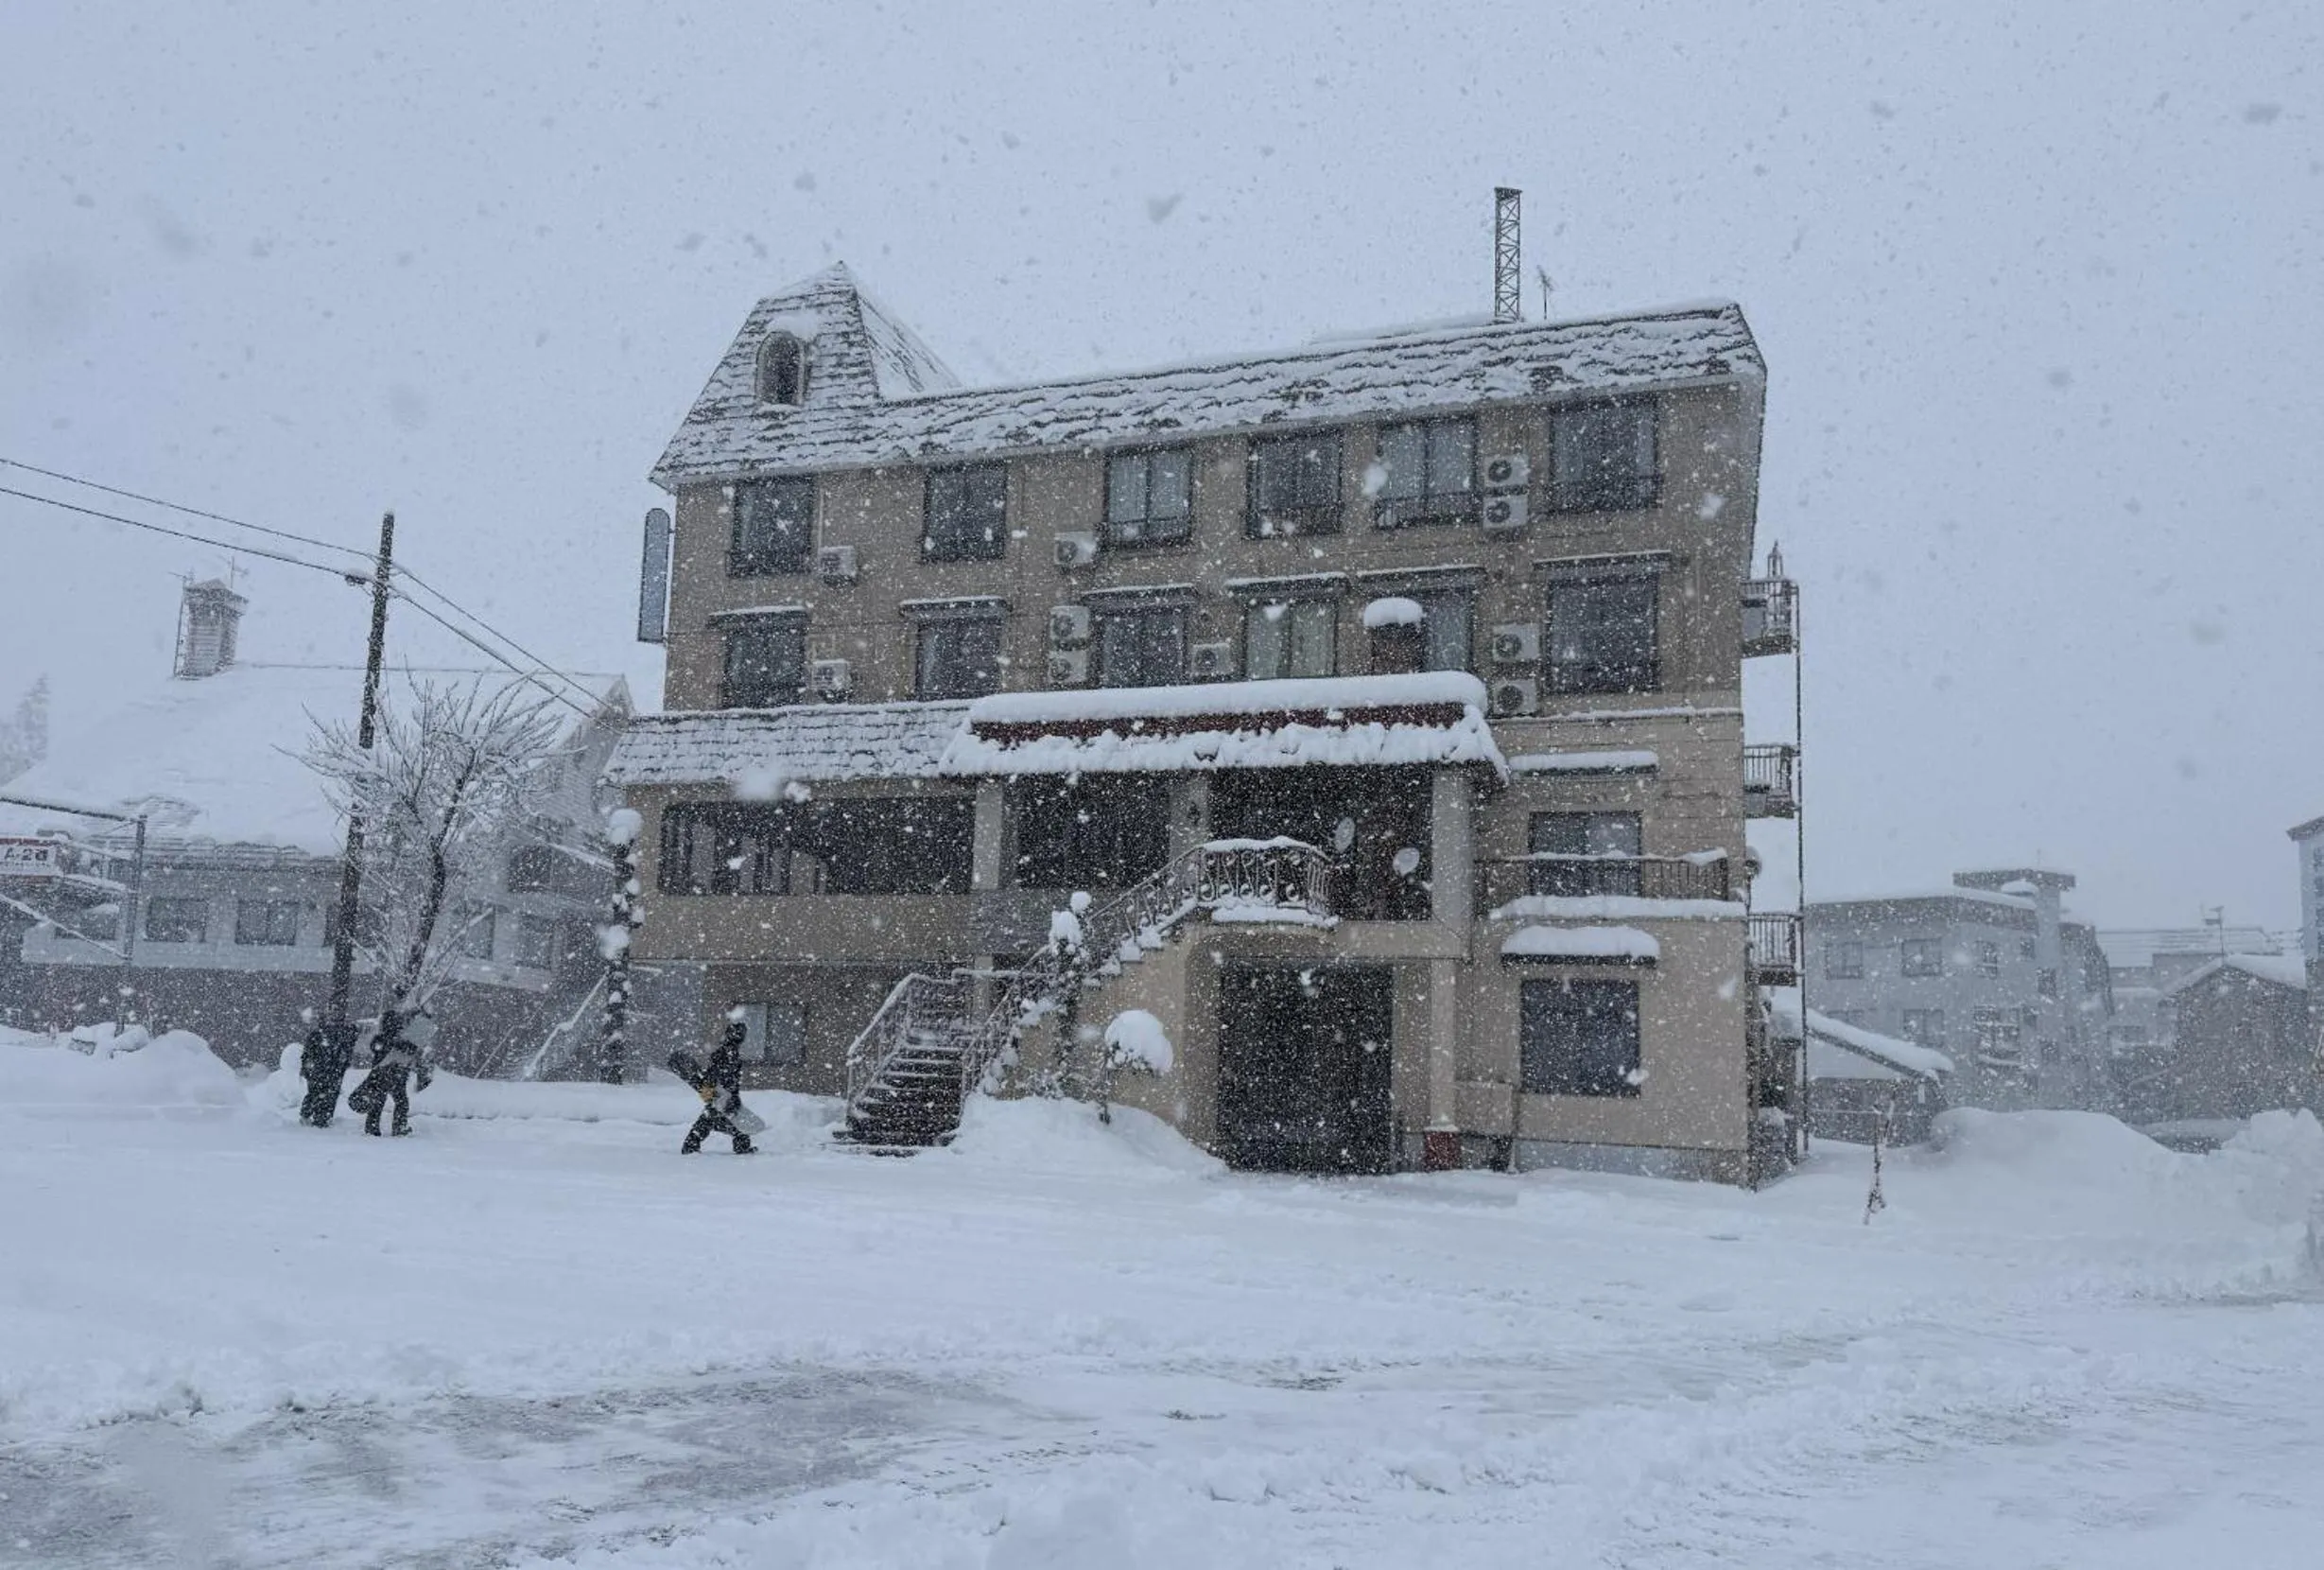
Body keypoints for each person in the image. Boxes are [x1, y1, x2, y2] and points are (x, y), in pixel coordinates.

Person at [348, 1007, 436, 1137]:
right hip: (389, 1075)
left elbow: (385, 1049)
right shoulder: (385, 1040)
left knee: (386, 1103)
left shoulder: (387, 1039)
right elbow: (380, 1048)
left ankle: (379, 1129)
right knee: (393, 1102)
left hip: (387, 1076)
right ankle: (393, 1128)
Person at [680, 1017, 755, 1155]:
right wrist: (722, 1093)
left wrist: (732, 1096)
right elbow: (721, 1075)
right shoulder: (727, 1052)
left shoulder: (729, 1051)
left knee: (714, 1118)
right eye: (739, 1034)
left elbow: (729, 1078)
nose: (741, 1037)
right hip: (716, 1091)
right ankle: (690, 1145)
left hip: (716, 1091)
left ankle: (691, 1144)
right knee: (715, 1117)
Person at [296, 1007, 339, 1127]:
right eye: (327, 1020)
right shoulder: (316, 1036)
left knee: (322, 1094)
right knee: (315, 1093)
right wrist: (308, 1068)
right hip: (317, 1071)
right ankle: (308, 1115)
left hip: (325, 1071)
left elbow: (335, 1055)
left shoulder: (332, 1036)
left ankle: (320, 1117)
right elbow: (307, 1054)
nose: (329, 1023)